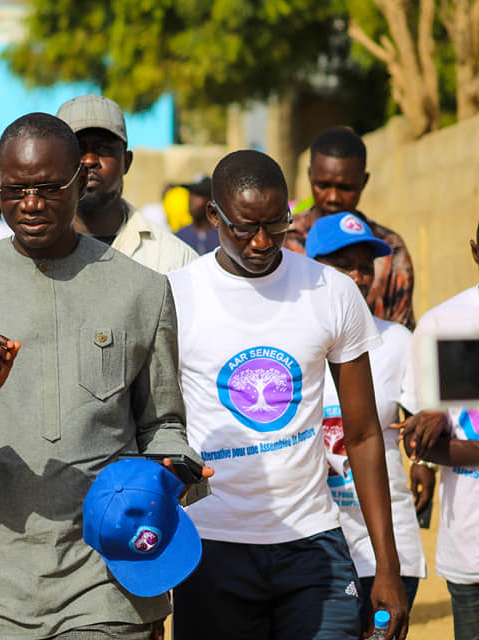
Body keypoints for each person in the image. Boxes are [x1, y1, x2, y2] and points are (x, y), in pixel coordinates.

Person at [0, 112, 207, 640]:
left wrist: (174, 468)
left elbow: (162, 423)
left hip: (103, 582)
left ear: (79, 182)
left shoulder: (143, 290)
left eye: (48, 188)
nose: (32, 204)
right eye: (17, 189)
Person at [167, 150, 409, 640]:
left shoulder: (331, 291)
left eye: (276, 224)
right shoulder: (175, 296)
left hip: (313, 545)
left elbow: (364, 435)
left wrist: (387, 566)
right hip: (211, 545)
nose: (262, 242)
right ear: (213, 214)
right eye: (245, 227)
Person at [306, 213, 426, 631]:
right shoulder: (293, 343)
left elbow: (425, 416)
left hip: (388, 552)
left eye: (365, 267)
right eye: (344, 266)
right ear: (313, 267)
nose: (357, 277)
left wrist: (424, 457)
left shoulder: (397, 341)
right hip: (313, 548)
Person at [395, 221, 479, 640]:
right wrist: (430, 443)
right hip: (471, 543)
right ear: (475, 251)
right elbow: (419, 438)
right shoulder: (444, 324)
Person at [284, 126, 416, 330]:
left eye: (346, 188)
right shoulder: (283, 241)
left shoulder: (390, 248)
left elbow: (401, 328)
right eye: (323, 185)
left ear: (364, 182)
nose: (333, 197)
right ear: (310, 175)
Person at [56, 94, 197, 273]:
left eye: (103, 148)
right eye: (78, 149)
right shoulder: (32, 252)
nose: (90, 160)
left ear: (127, 161)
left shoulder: (175, 260)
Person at [175, 175, 219, 255]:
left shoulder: (224, 236)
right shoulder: (179, 237)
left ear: (211, 199)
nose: (192, 200)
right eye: (191, 194)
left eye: (198, 194)